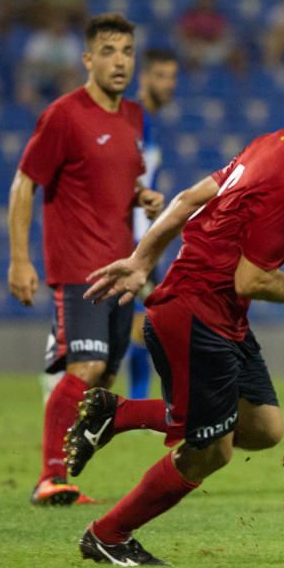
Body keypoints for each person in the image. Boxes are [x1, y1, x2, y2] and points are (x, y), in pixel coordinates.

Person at [67, 54, 284, 566]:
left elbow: (191, 196)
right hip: (194, 316)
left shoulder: (275, 143)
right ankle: (108, 534)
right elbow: (250, 278)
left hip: (222, 317)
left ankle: (116, 413)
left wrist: (142, 258)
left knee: (263, 427)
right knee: (210, 450)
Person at [8, 13, 164, 507]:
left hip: (121, 269)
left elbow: (116, 176)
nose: (119, 62)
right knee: (88, 364)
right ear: (87, 59)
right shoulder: (64, 115)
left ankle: (63, 472)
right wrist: (19, 260)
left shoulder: (134, 117)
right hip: (79, 268)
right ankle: (50, 477)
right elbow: (23, 183)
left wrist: (142, 197)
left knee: (103, 375)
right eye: (109, 51)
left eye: (127, 52)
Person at [126, 48, 179, 400]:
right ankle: (139, 397)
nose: (167, 84)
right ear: (143, 78)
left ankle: (139, 397)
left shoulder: (149, 121)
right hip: (131, 237)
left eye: (172, 77)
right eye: (160, 76)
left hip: (144, 236)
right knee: (148, 317)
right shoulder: (134, 118)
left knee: (145, 317)